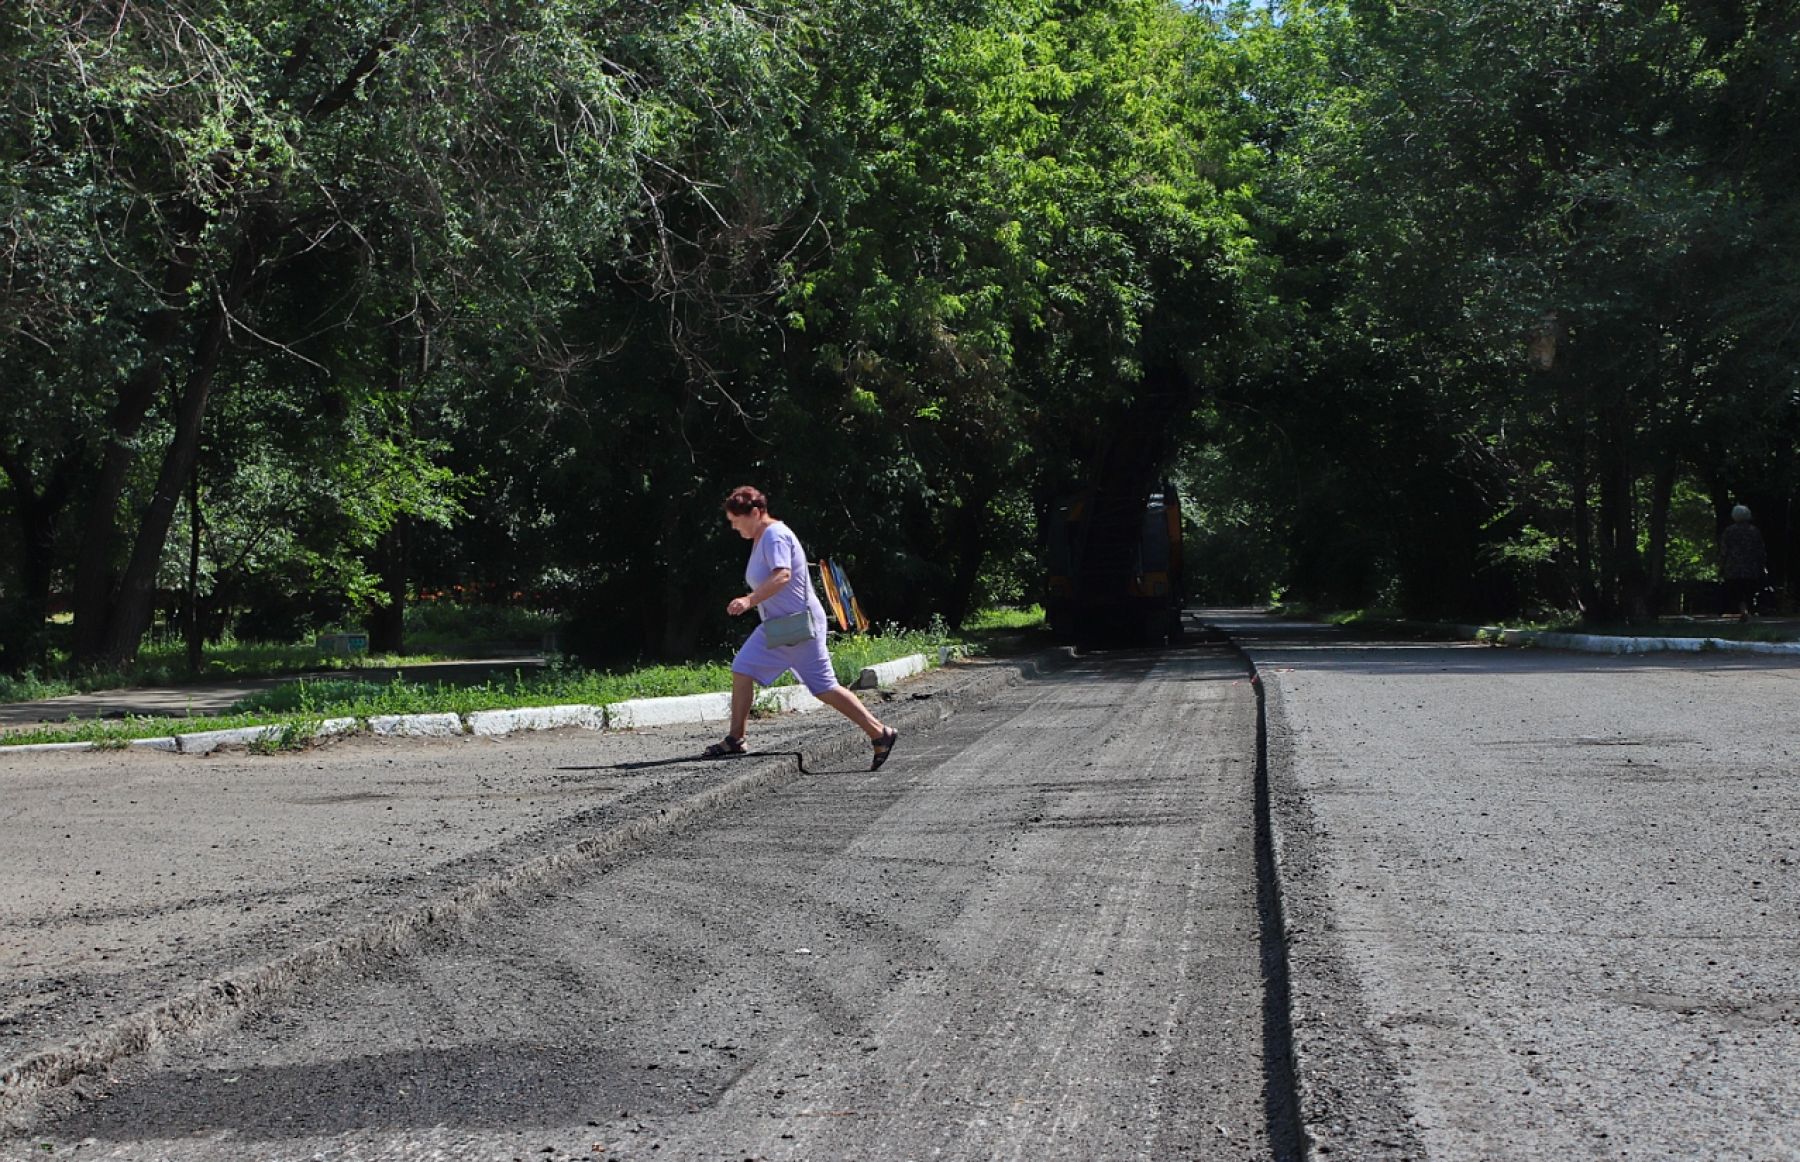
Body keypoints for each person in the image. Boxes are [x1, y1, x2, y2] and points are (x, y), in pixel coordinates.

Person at [706, 485, 899, 770]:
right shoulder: (762, 537)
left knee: (824, 687)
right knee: (742, 668)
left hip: (798, 626)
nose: (734, 528)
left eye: (737, 521)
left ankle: (879, 732)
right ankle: (736, 738)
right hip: (779, 627)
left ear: (756, 513)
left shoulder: (774, 535)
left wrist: (749, 600)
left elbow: (783, 575)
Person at [1720, 504, 1768, 622]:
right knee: (1749, 590)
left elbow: (1724, 550)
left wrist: (1722, 565)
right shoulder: (1754, 531)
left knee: (1737, 591)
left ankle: (1743, 610)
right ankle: (1747, 610)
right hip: (1751, 567)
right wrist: (1762, 564)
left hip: (1733, 567)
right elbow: (1760, 550)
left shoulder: (1729, 531)